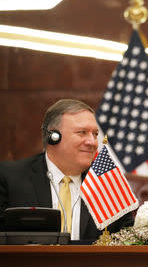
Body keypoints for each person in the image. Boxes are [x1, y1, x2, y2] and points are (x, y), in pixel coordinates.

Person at [0, 99, 134, 242]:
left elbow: (128, 242)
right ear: (53, 137)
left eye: (95, 134)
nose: (93, 142)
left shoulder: (108, 183)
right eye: (82, 132)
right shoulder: (10, 177)